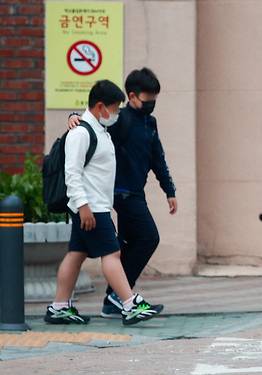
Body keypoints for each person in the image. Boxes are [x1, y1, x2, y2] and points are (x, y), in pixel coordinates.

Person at [44, 80, 163, 326]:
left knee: (76, 254)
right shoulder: (81, 133)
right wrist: (84, 206)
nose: (117, 113)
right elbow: (72, 173)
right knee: (112, 253)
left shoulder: (99, 129)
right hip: (91, 208)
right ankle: (129, 304)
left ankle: (59, 306)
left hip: (94, 205)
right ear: (100, 107)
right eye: (115, 108)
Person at [67, 68, 177, 318]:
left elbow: (157, 157)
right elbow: (91, 126)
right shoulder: (121, 119)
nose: (151, 105)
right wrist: (74, 116)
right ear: (132, 96)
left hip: (135, 191)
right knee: (148, 238)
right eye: (147, 99)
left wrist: (168, 189)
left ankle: (114, 300)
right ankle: (120, 297)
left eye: (154, 100)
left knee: (129, 243)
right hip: (119, 193)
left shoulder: (150, 122)